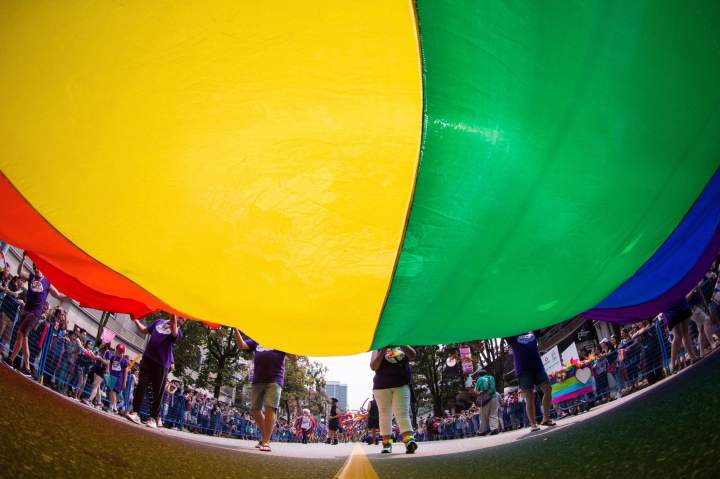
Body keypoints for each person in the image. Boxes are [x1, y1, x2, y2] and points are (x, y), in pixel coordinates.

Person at [232, 329, 296, 453]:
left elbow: (294, 357)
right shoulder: (258, 340)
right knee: (255, 409)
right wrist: (236, 329)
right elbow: (242, 345)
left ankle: (265, 441)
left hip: (274, 380)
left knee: (270, 408)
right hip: (258, 379)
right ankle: (266, 433)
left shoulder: (281, 341)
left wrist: (287, 343)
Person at [7, 254, 66, 375]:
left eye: (38, 267)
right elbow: (19, 272)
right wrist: (23, 260)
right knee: (21, 336)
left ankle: (27, 366)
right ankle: (11, 359)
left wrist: (71, 295)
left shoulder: (47, 282)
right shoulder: (31, 276)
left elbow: (58, 295)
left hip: (35, 312)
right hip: (26, 309)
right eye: (35, 267)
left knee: (23, 334)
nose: (36, 269)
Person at [126, 314, 185, 428]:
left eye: (183, 320)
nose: (181, 320)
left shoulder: (178, 332)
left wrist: (174, 312)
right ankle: (135, 413)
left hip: (161, 364)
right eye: (181, 317)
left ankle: (153, 418)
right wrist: (136, 319)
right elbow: (144, 330)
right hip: (147, 359)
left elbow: (174, 331)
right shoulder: (159, 322)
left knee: (157, 392)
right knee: (141, 385)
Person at [370, 346, 418, 454]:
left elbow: (413, 356)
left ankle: (409, 441)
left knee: (402, 413)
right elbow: (373, 366)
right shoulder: (378, 347)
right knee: (384, 414)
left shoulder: (402, 342)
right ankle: (387, 443)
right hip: (381, 386)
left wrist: (402, 344)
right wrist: (383, 350)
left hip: (401, 384)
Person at [505, 332, 555, 432]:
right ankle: (533, 424)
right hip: (523, 370)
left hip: (538, 367)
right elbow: (502, 329)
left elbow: (540, 325)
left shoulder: (532, 332)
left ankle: (546, 418)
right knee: (530, 397)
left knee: (548, 389)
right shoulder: (512, 335)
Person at [0, 275, 26, 350]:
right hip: (4, 313)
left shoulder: (23, 293)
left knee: (6, 337)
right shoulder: (12, 284)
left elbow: (25, 304)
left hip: (12, 318)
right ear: (18, 279)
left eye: (24, 281)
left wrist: (22, 303)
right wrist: (12, 293)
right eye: (21, 280)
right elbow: (5, 289)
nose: (22, 282)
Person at [471, 368, 499, 436]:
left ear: (479, 375)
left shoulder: (479, 379)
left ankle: (482, 431)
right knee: (493, 414)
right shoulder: (491, 377)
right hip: (494, 397)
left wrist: (473, 386)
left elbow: (476, 391)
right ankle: (494, 428)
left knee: (483, 416)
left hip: (484, 399)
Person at [104, 343, 129, 413]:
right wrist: (107, 370)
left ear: (123, 352)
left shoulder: (125, 361)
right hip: (111, 377)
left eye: (120, 351)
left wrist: (124, 382)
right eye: (118, 350)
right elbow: (108, 364)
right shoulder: (112, 357)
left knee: (114, 392)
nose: (118, 352)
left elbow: (126, 372)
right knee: (111, 392)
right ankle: (114, 407)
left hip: (119, 379)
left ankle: (111, 407)